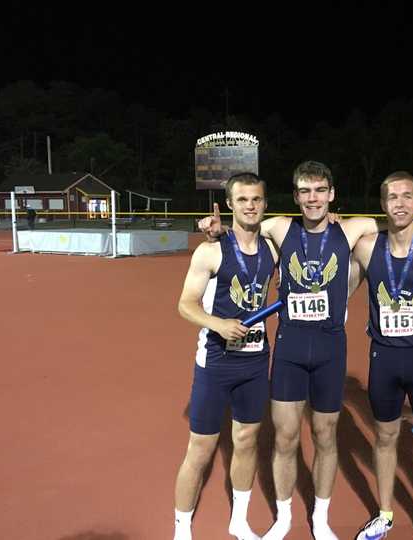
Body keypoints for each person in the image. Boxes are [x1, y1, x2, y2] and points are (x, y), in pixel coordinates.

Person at [199, 160, 413, 540]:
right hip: (290, 348)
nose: (312, 198)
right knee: (285, 437)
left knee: (325, 436)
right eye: (304, 191)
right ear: (296, 196)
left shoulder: (354, 228)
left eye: (320, 190)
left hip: (331, 350)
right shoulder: (280, 227)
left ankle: (320, 518)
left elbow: (404, 221)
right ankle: (284, 517)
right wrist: (215, 231)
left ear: (332, 194)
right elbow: (244, 227)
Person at [173, 173, 279, 540]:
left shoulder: (273, 249)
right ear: (231, 204)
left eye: (257, 199)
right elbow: (185, 305)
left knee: (247, 440)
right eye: (243, 199)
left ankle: (239, 520)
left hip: (254, 360)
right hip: (216, 363)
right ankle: (182, 527)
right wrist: (217, 323)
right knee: (201, 448)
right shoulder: (211, 250)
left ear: (265, 204)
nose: (250, 205)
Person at [350, 172, 413, 540]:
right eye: (392, 197)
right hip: (384, 357)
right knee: (384, 438)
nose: (400, 203)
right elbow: (340, 285)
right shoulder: (366, 247)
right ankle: (385, 514)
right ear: (383, 205)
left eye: (408, 196)